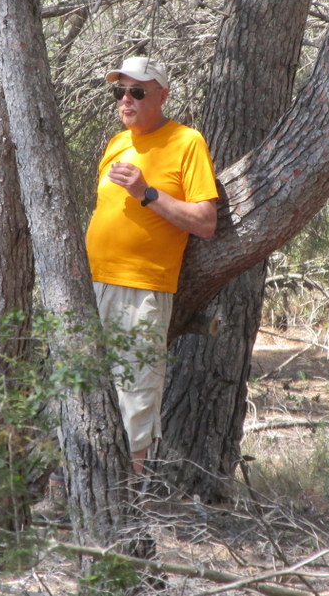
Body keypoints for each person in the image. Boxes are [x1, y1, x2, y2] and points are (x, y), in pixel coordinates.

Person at [85, 56, 219, 475]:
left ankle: (127, 504)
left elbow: (205, 223)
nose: (126, 99)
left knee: (136, 393)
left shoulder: (186, 142)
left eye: (137, 91)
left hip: (142, 288)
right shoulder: (115, 143)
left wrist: (148, 193)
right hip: (91, 285)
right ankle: (71, 493)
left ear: (162, 95)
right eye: (120, 91)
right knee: (83, 389)